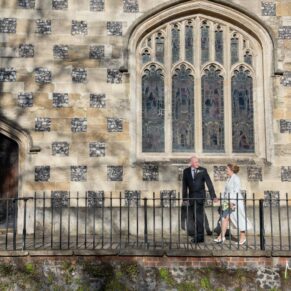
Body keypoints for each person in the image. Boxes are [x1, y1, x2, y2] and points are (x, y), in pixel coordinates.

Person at [214, 163, 252, 245]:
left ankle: (243, 237)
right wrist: (220, 198)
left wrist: (232, 202)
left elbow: (236, 191)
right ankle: (222, 236)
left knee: (239, 218)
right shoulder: (228, 179)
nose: (226, 170)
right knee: (224, 217)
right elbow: (226, 192)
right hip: (226, 201)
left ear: (231, 169)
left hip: (234, 202)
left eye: (227, 169)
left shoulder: (236, 178)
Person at [182, 156, 217, 243]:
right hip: (191, 197)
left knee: (199, 217)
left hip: (200, 197)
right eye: (196, 162)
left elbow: (209, 183)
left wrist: (213, 196)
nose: (198, 163)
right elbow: (184, 185)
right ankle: (198, 235)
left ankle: (199, 237)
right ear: (191, 163)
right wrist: (185, 198)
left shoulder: (203, 170)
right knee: (194, 217)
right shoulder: (186, 171)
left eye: (198, 162)